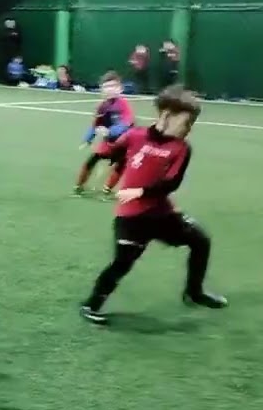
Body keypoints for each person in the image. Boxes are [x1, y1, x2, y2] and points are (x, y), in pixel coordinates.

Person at [80, 86, 227, 326]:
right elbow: (111, 151)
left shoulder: (181, 148)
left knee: (200, 240)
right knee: (122, 262)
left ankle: (194, 292)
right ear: (166, 116)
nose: (189, 128)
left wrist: (140, 191)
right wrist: (99, 145)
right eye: (187, 122)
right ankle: (91, 305)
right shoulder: (135, 136)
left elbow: (172, 183)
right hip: (132, 218)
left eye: (192, 124)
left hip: (161, 213)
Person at [75, 71, 134, 197]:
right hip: (109, 142)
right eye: (107, 86)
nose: (110, 89)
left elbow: (126, 123)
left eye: (113, 86)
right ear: (101, 89)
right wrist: (88, 139)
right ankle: (79, 186)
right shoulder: (102, 106)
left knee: (121, 164)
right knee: (91, 161)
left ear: (120, 89)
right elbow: (95, 125)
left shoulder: (123, 104)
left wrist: (110, 131)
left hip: (125, 143)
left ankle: (107, 189)